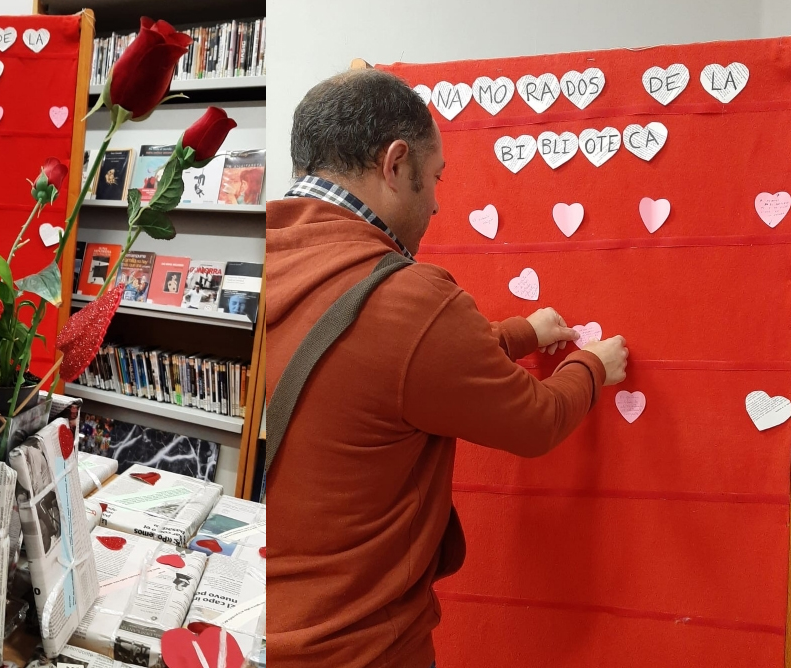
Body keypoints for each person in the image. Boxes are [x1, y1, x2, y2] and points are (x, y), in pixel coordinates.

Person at [265, 68, 629, 668]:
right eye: (434, 179)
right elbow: (534, 420)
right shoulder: (411, 299)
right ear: (396, 164)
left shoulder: (275, 254)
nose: (436, 203)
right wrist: (592, 366)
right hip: (363, 646)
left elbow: (384, 367)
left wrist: (517, 334)